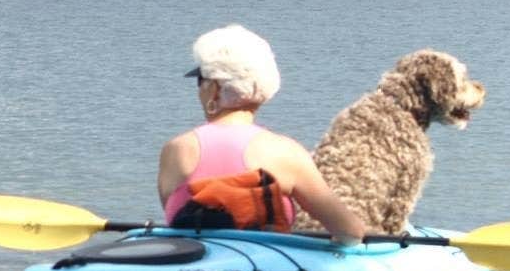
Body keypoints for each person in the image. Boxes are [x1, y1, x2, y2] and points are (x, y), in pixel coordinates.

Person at [156, 24, 367, 244]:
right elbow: (349, 231)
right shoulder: (286, 152)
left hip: (190, 267)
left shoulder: (176, 150)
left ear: (215, 88)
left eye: (201, 80)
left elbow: (175, 217)